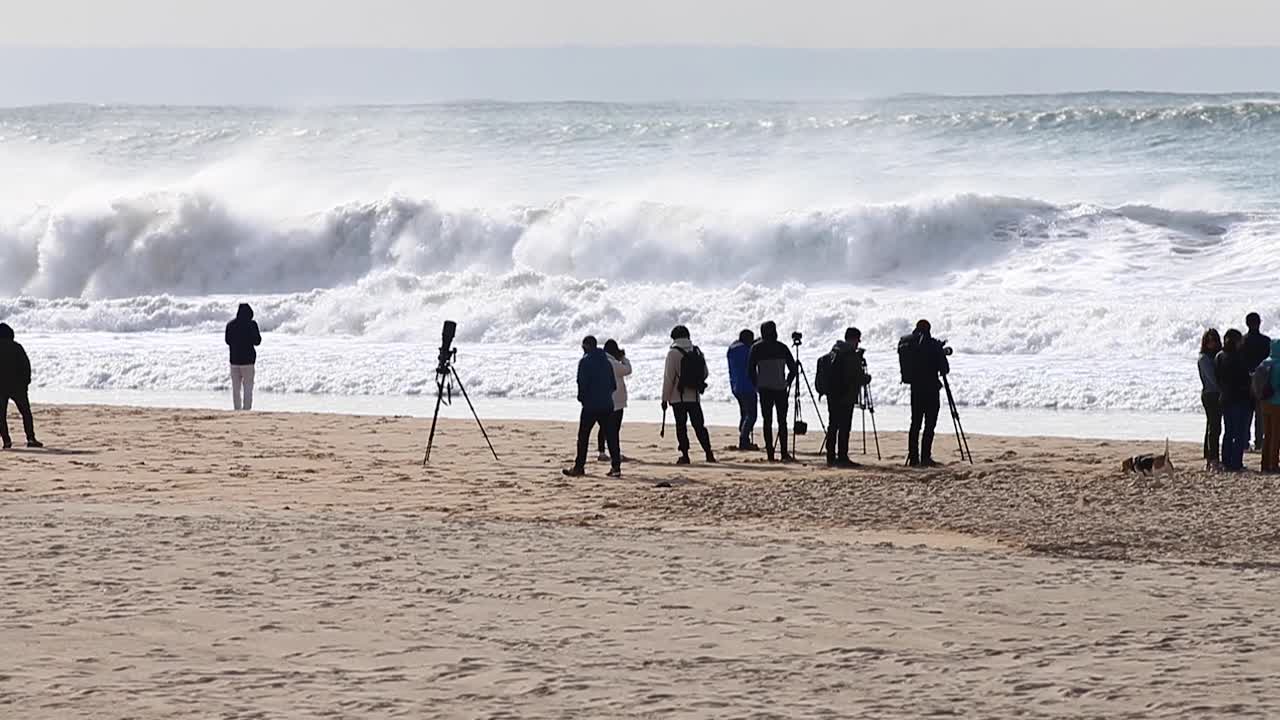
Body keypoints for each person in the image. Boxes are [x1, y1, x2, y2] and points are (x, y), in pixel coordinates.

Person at [564, 336, 620, 477]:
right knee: (611, 436)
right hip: (607, 404)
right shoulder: (607, 362)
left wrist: (582, 398)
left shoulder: (584, 362)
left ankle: (579, 467)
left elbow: (581, 383)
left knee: (583, 436)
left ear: (586, 346)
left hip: (590, 405)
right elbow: (613, 385)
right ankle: (616, 467)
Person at [662, 325, 716, 465]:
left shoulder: (673, 352)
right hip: (694, 396)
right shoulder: (697, 350)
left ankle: (685, 455)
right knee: (699, 425)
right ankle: (708, 452)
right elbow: (705, 373)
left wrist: (664, 398)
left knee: (681, 426)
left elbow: (669, 377)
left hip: (677, 397)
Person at [901, 319, 950, 467]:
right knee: (929, 424)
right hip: (931, 389)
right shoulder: (933, 345)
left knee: (915, 423)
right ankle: (926, 457)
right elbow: (944, 370)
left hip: (916, 389)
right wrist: (941, 354)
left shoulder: (909, 345)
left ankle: (913, 457)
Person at [748, 321, 798, 462]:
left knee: (767, 421)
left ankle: (770, 453)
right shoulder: (782, 347)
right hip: (780, 388)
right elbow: (793, 369)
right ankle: (784, 453)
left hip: (764, 389)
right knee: (782, 421)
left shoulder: (756, 348)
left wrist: (756, 385)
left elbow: (750, 369)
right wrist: (787, 381)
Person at [821, 328, 868, 467]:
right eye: (857, 340)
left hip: (832, 394)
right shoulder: (850, 355)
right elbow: (858, 377)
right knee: (845, 426)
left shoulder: (834, 351)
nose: (858, 344)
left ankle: (830, 456)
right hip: (846, 396)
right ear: (853, 339)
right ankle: (842, 456)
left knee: (833, 424)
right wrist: (867, 378)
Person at [0, 323, 42, 449]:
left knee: (1, 415)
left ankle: (6, 441)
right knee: (25, 412)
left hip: (0, 387)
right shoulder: (17, 347)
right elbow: (26, 366)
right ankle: (30, 438)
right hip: (17, 386)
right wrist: (26, 383)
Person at [1216, 328, 1252, 472]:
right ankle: (1236, 463)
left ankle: (1226, 461)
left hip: (1225, 397)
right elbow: (1245, 379)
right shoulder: (1240, 358)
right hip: (1239, 398)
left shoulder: (1220, 356)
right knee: (1239, 433)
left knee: (1228, 431)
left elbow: (1217, 377)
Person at [596, 339, 631, 462]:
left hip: (602, 399)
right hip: (617, 401)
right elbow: (628, 369)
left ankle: (601, 451)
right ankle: (615, 454)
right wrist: (623, 358)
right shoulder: (613, 363)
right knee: (614, 430)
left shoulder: (599, 361)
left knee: (603, 428)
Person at [225, 303, 262, 411]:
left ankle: (237, 409)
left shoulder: (230, 325)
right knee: (248, 387)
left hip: (234, 360)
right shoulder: (252, 324)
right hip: (248, 361)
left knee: (236, 388)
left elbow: (227, 341)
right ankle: (246, 409)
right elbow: (257, 341)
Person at [1243, 312, 1271, 452]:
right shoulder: (1266, 341)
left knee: (1246, 414)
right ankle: (1259, 442)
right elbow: (1269, 364)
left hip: (1246, 382)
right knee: (1260, 415)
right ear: (1259, 323)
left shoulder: (1242, 341)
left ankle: (1245, 442)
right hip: (1262, 381)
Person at [726, 329, 758, 450]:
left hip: (736, 386)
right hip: (748, 386)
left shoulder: (732, 349)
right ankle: (744, 439)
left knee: (744, 413)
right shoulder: (747, 350)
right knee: (751, 415)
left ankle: (744, 437)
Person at [1198, 328, 1223, 471]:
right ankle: (1212, 458)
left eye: (1214, 340)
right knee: (1214, 427)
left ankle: (1210, 457)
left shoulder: (1216, 356)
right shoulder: (1204, 358)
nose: (1212, 344)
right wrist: (1223, 391)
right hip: (1210, 394)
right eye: (1209, 341)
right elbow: (1211, 379)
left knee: (1213, 426)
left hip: (1215, 393)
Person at [1263, 339, 1280, 473]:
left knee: (1267, 434)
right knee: (1276, 435)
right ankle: (1273, 464)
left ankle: (1265, 463)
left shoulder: (1265, 362)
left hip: (1265, 402)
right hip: (1277, 403)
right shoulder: (1279, 364)